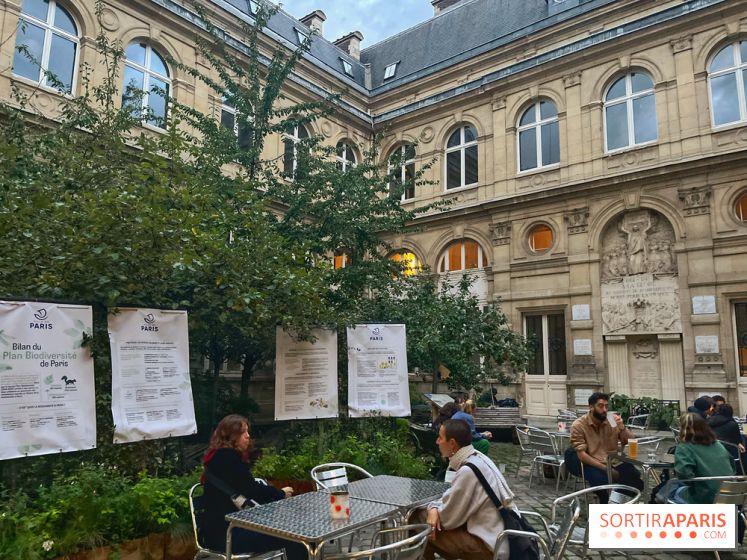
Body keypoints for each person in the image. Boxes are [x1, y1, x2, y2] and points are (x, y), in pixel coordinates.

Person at [201, 414, 308, 560]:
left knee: (293, 533)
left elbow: (246, 486)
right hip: (227, 534)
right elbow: (252, 490)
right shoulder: (226, 459)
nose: (248, 436)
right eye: (243, 432)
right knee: (297, 536)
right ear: (231, 436)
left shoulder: (219, 457)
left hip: (226, 528)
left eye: (247, 432)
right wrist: (280, 493)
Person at [416, 419, 516, 560]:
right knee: (429, 527)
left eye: (440, 438)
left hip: (489, 547)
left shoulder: (468, 471)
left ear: (452, 444)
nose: (437, 442)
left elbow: (448, 518)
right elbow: (453, 500)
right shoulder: (479, 458)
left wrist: (432, 508)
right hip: (500, 535)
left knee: (417, 520)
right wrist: (434, 508)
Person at [570, 392, 643, 501]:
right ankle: (606, 504)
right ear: (591, 407)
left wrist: (622, 427)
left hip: (614, 461)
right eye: (600, 406)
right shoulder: (579, 425)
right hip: (594, 462)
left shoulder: (611, 420)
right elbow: (582, 455)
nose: (604, 410)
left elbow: (629, 441)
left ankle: (617, 503)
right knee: (601, 484)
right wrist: (606, 469)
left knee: (636, 480)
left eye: (606, 406)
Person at [656, 413, 735, 504]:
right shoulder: (718, 445)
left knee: (668, 491)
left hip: (704, 497)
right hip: (729, 495)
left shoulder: (685, 447)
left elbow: (684, 473)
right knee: (672, 486)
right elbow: (732, 466)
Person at [708, 404, 745, 470]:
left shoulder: (708, 421)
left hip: (710, 448)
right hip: (728, 450)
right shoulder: (732, 424)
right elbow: (737, 440)